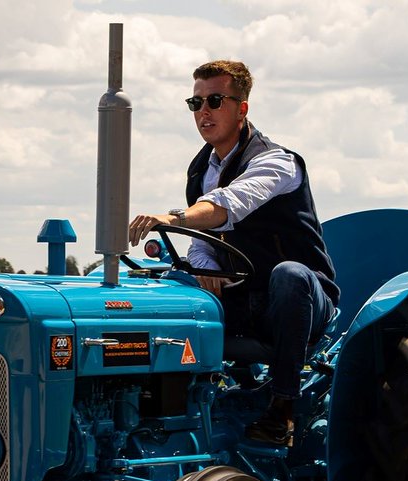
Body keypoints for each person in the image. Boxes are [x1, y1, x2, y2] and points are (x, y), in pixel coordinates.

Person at [128, 60, 339, 446]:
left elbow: (230, 204)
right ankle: (158, 416)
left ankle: (282, 410)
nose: (203, 112)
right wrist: (206, 268)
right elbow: (204, 242)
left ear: (242, 109)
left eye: (214, 100)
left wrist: (173, 217)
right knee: (166, 286)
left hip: (301, 303)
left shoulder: (277, 161)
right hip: (243, 295)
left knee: (289, 273)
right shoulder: (200, 169)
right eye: (195, 103)